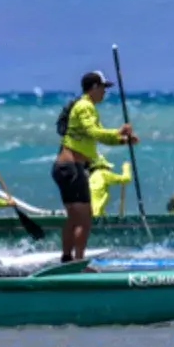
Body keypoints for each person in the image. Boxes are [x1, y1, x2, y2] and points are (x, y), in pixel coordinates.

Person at [51, 71, 138, 262]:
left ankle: (67, 258)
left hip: (65, 167)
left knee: (74, 217)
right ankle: (79, 262)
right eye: (103, 88)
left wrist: (124, 140)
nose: (104, 93)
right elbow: (94, 132)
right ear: (94, 87)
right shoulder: (85, 106)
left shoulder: (84, 106)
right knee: (84, 217)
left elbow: (97, 137)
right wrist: (119, 131)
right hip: (72, 168)